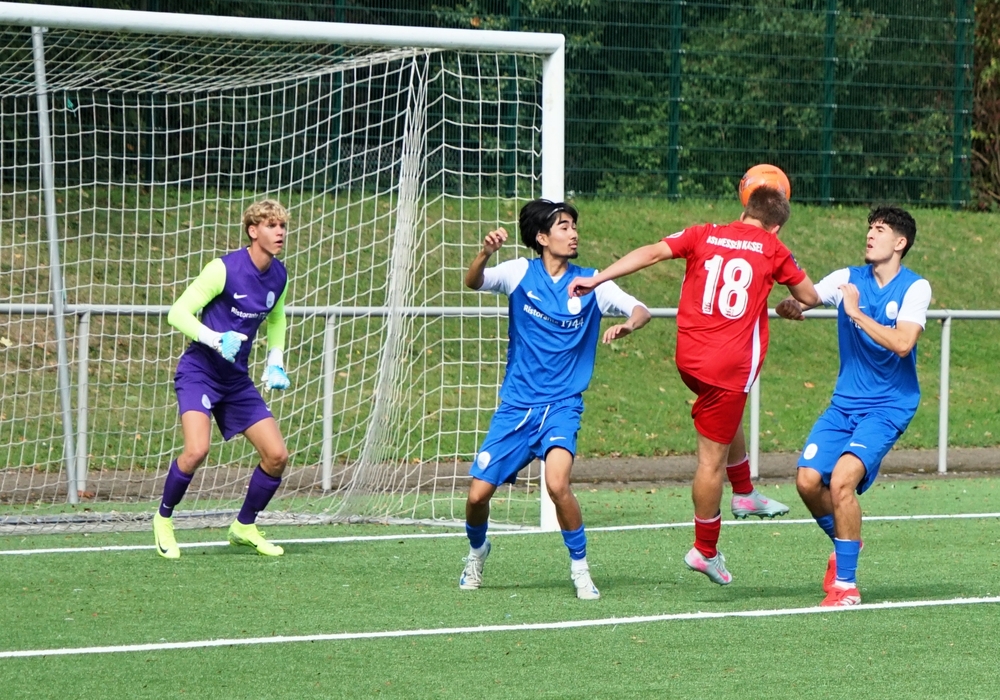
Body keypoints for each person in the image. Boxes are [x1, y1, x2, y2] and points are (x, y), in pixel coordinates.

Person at [568, 187, 819, 585]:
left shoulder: (704, 233)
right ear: (776, 227)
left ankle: (745, 491)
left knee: (727, 417)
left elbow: (651, 252)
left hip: (690, 359)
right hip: (728, 367)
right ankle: (705, 549)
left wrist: (598, 278)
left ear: (745, 209)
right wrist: (794, 305)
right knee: (709, 461)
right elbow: (809, 295)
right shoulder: (773, 248)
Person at [460, 198, 651, 600]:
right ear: (543, 237)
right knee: (477, 496)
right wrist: (484, 253)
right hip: (516, 407)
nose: (573, 233)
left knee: (557, 484)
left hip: (562, 406)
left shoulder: (592, 281)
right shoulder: (519, 273)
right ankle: (477, 552)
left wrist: (629, 325)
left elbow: (639, 309)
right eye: (564, 227)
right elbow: (474, 281)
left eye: (574, 226)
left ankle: (580, 569)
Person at [776, 205, 930, 606]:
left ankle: (846, 586)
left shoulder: (915, 288)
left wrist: (856, 313)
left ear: (900, 242)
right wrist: (794, 305)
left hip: (889, 406)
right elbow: (809, 297)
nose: (870, 234)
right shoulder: (847, 278)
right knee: (807, 480)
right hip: (845, 404)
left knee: (841, 480)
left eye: (880, 229)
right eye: (870, 228)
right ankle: (847, 541)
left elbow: (903, 344)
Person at [152, 199, 293, 559]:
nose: (279, 232)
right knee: (196, 450)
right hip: (200, 372)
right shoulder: (223, 269)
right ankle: (163, 519)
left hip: (236, 380)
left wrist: (275, 361)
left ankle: (244, 526)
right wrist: (215, 340)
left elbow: (276, 318)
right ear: (253, 231)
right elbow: (177, 313)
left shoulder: (279, 275)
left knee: (277, 455)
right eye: (271, 225)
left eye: (282, 226)